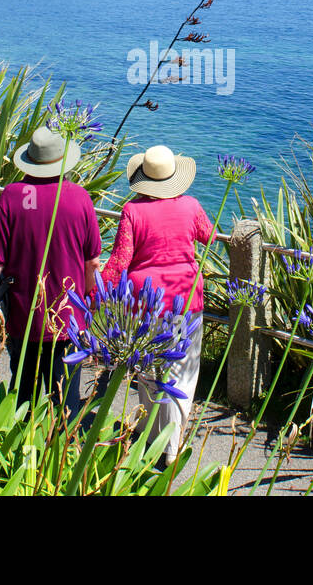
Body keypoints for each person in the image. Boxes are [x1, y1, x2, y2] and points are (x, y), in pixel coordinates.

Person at [101, 144, 214, 463]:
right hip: (184, 298)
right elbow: (210, 236)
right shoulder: (190, 206)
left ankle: (149, 435)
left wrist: (98, 296)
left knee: (147, 368)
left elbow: (120, 260)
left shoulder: (132, 211)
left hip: (143, 302)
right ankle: (171, 446)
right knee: (180, 373)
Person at [0, 125, 101, 412]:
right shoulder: (80, 198)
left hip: (24, 314)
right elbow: (93, 262)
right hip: (68, 318)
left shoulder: (12, 195)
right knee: (66, 400)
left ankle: (19, 451)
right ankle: (63, 453)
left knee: (23, 396)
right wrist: (84, 301)